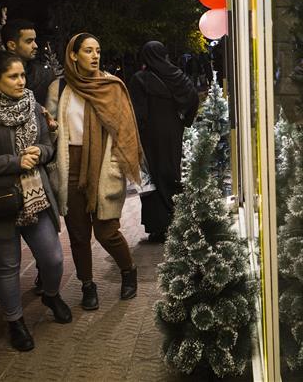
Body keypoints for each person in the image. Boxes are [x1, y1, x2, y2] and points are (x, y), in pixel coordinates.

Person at [0, 50, 71, 352]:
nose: (21, 81)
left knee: (53, 258)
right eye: (13, 76)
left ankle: (50, 294)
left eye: (22, 75)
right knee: (7, 266)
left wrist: (41, 154)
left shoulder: (32, 106)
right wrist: (14, 162)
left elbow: (48, 145)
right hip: (0, 200)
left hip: (36, 195)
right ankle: (15, 321)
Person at [45, 33, 142, 310]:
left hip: (102, 165)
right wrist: (50, 128)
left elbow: (125, 132)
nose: (95, 55)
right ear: (73, 55)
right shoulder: (59, 88)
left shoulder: (110, 86)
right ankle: (87, 286)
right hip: (70, 166)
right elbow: (51, 132)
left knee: (106, 231)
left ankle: (128, 271)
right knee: (78, 235)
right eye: (88, 50)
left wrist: (115, 165)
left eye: (98, 50)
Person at [0, 19, 56, 307]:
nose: (35, 46)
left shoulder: (38, 73)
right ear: (12, 44)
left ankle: (44, 280)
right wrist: (12, 159)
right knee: (3, 253)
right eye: (29, 41)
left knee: (49, 252)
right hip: (1, 181)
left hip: (34, 179)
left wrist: (46, 135)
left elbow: (41, 119)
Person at [128, 41, 199, 242]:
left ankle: (159, 227)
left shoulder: (140, 79)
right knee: (171, 172)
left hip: (150, 136)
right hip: (173, 132)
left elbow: (138, 113)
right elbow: (193, 97)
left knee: (153, 177)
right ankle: (177, 220)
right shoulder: (176, 75)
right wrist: (185, 121)